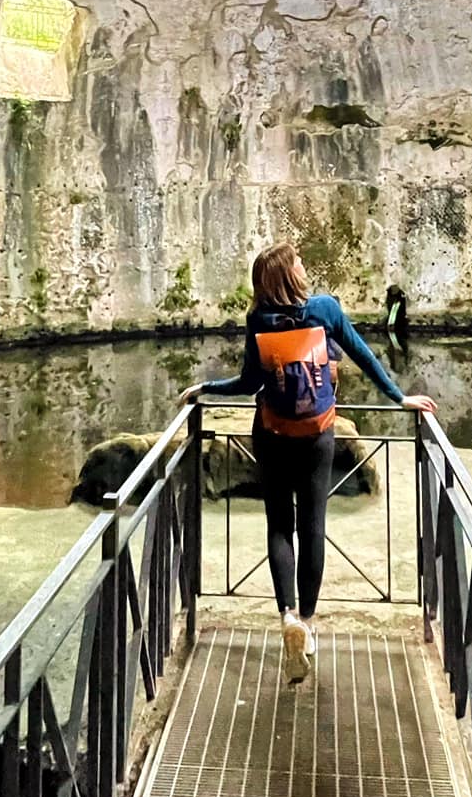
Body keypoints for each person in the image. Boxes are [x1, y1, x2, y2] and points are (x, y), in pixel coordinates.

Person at [184, 242, 435, 685]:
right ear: (289, 275)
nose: (303, 265)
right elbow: (362, 353)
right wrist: (399, 398)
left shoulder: (258, 321)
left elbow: (248, 383)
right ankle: (309, 621)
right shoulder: (325, 309)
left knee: (279, 526)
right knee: (312, 526)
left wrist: (205, 386)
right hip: (316, 434)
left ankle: (286, 617)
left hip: (272, 433)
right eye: (298, 261)